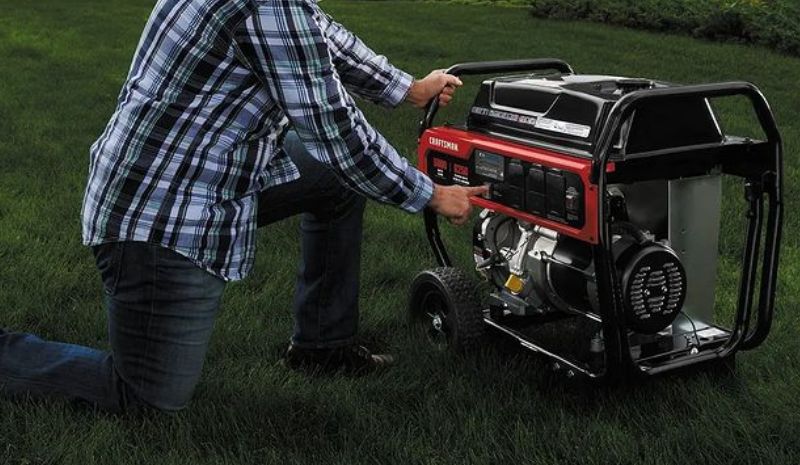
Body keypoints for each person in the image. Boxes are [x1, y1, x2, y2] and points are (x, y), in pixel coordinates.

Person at [0, 0, 487, 413]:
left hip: (201, 176)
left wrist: (404, 87)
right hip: (161, 215)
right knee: (146, 399)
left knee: (335, 183)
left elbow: (317, 31)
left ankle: (320, 347)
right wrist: (430, 193)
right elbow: (332, 127)